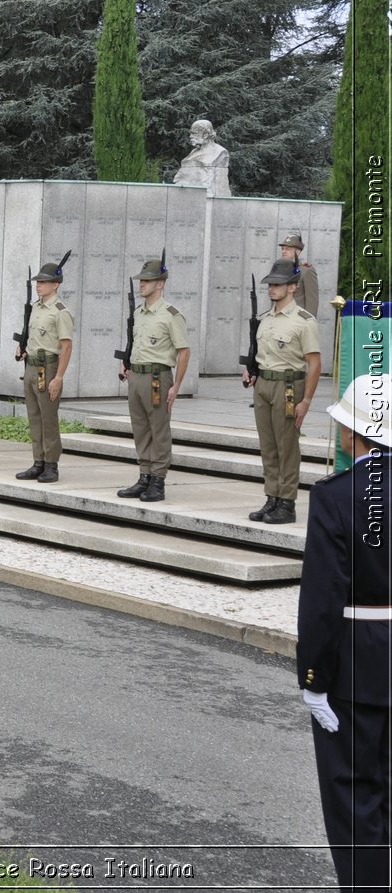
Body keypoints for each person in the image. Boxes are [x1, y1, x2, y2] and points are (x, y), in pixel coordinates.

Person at [296, 373, 390, 893]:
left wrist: (313, 677)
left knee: (355, 796)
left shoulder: (337, 496)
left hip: (355, 666)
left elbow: (323, 602)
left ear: (358, 435)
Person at [242, 258, 322, 525]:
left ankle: (286, 503)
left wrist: (307, 399)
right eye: (270, 284)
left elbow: (314, 363)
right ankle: (272, 497)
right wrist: (251, 370)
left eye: (277, 285)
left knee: (287, 446)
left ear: (292, 287)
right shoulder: (265, 319)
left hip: (289, 386)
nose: (271, 289)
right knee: (268, 446)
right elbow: (261, 354)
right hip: (263, 385)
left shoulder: (303, 321)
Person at [116, 254, 191, 502]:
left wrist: (177, 384)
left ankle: (158, 480)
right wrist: (125, 363)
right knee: (140, 429)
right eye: (141, 280)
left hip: (158, 378)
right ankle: (144, 476)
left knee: (158, 429)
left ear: (161, 284)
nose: (142, 284)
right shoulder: (139, 313)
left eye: (147, 281)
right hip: (136, 376)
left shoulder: (171, 314)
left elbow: (183, 351)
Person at [15, 255, 75, 482]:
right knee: (34, 417)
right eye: (37, 282)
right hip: (31, 366)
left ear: (55, 284)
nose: (38, 285)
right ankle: (38, 461)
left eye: (43, 282)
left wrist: (58, 377)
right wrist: (21, 349)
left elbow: (67, 347)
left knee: (48, 418)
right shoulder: (36, 308)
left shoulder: (60, 311)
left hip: (49, 367)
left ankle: (51, 465)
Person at [170, 118, 231, 197]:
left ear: (205, 135)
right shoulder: (193, 152)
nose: (190, 136)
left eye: (194, 133)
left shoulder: (221, 152)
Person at [279, 233, 321, 317]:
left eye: (287, 249)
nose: (283, 251)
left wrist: (308, 323)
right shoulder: (280, 270)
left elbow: (312, 302)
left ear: (297, 252)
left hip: (297, 320)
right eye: (283, 248)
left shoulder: (306, 271)